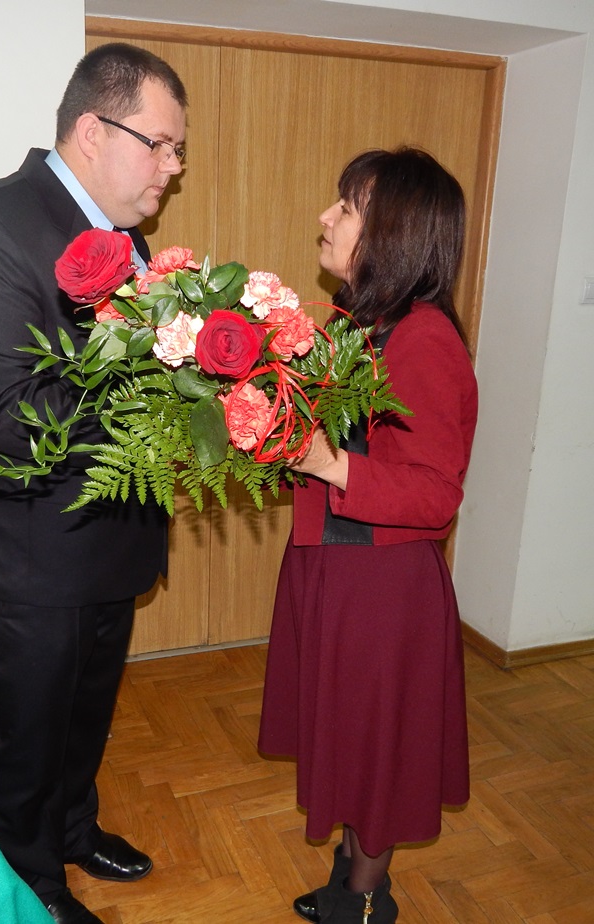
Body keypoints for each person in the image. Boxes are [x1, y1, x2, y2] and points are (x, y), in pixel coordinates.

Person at [0, 43, 188, 924]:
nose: (172, 167)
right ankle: (28, 880)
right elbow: (3, 409)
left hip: (110, 538)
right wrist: (161, 395)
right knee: (24, 737)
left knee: (83, 713)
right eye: (160, 145)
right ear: (92, 129)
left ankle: (73, 828)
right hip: (26, 548)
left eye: (178, 150)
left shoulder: (128, 241)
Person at [258, 147, 478, 924]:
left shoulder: (423, 341)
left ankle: (362, 902)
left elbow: (436, 494)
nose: (326, 216)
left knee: (376, 755)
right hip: (334, 571)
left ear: (393, 232)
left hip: (383, 593)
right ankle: (349, 879)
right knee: (352, 743)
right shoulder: (356, 321)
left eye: (346, 207)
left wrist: (330, 462)